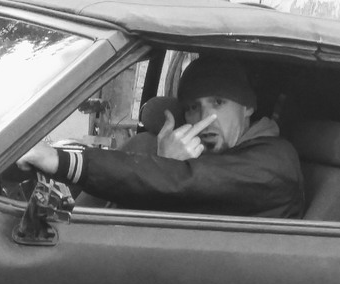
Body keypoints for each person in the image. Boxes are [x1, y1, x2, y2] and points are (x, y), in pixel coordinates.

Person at [17, 56, 304, 218]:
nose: (205, 118)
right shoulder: (187, 152)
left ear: (248, 107)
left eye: (218, 102)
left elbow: (187, 181)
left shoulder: (273, 163)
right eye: (193, 107)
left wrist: (58, 159)